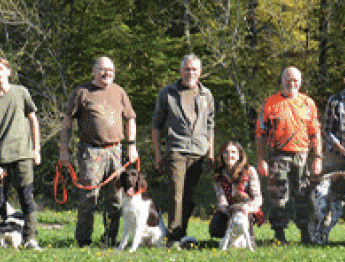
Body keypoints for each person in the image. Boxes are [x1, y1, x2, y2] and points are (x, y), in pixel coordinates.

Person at [60, 56, 138, 247]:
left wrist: (132, 145)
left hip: (116, 151)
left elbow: (130, 119)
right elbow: (67, 123)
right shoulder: (82, 92)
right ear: (94, 71)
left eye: (111, 70)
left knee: (116, 198)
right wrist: (64, 150)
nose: (107, 74)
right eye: (103, 70)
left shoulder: (119, 92)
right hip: (90, 151)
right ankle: (84, 240)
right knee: (89, 197)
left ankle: (111, 238)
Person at [151, 54, 215, 245]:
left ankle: (182, 233)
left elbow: (210, 125)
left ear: (200, 72)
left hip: (199, 152)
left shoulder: (206, 94)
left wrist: (211, 154)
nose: (190, 73)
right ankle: (173, 237)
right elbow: (156, 126)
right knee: (176, 194)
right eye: (187, 69)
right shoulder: (167, 93)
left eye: (194, 69)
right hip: (176, 149)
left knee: (189, 196)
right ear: (180, 71)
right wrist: (157, 155)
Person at [0, 58, 42, 251]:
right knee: (0, 200)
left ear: (8, 71)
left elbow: (33, 120)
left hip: (23, 154)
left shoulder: (21, 92)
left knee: (26, 197)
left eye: (1, 69)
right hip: (1, 158)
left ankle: (30, 238)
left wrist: (36, 149)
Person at [256, 66, 321, 243]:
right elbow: (261, 133)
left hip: (302, 155)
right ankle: (279, 234)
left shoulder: (308, 103)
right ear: (282, 80)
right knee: (278, 197)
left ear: (300, 82)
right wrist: (261, 159)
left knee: (304, 195)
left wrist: (317, 158)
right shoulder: (270, 103)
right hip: (278, 156)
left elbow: (315, 133)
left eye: (295, 80)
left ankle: (305, 233)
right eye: (288, 79)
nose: (291, 83)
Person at [209, 140, 264, 239]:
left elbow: (258, 198)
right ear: (221, 155)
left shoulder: (249, 171)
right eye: (226, 152)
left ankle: (248, 235)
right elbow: (222, 200)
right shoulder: (219, 175)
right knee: (215, 228)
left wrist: (246, 207)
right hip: (229, 208)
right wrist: (230, 210)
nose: (229, 155)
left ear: (239, 155)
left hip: (247, 208)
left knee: (244, 216)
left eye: (233, 152)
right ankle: (228, 236)